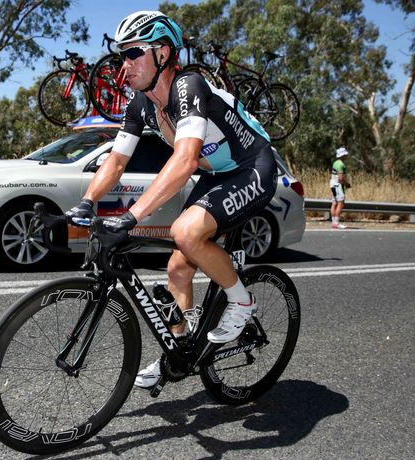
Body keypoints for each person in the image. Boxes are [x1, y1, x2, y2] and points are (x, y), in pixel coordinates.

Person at [66, 11, 278, 389]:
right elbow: (116, 161)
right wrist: (87, 201)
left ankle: (242, 302)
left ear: (163, 52)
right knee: (178, 268)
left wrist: (131, 216)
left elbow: (184, 161)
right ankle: (179, 351)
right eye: (121, 57)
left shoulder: (188, 86)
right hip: (217, 174)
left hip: (251, 166)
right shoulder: (140, 105)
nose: (124, 66)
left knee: (185, 231)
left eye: (133, 54)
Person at [329, 147, 350, 229]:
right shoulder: (341, 164)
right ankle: (337, 223)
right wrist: (347, 184)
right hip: (338, 186)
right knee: (340, 204)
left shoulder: (335, 163)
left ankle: (334, 222)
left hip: (333, 185)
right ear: (343, 155)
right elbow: (341, 178)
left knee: (334, 203)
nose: (346, 156)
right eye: (345, 154)